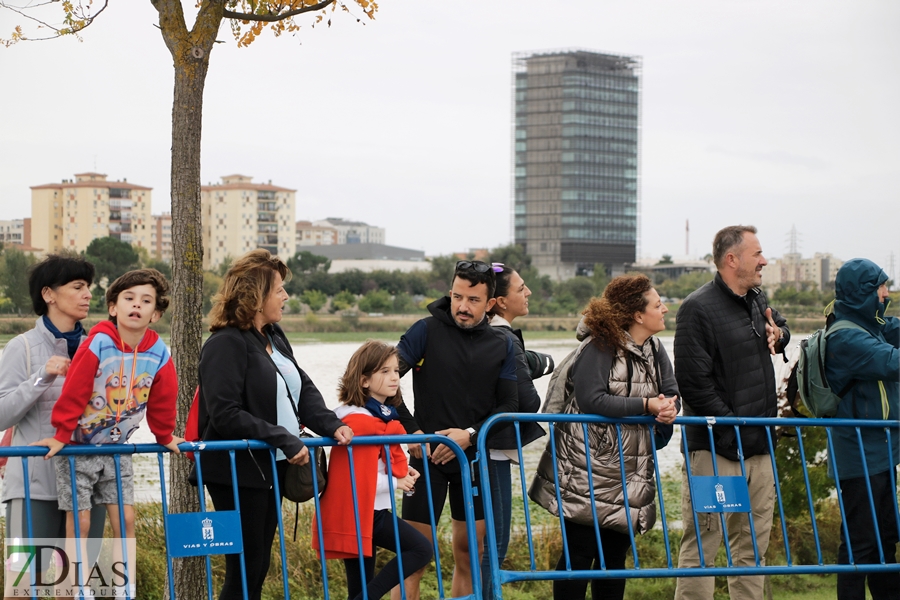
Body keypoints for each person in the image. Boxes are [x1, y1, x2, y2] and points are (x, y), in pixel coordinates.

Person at [196, 249, 353, 600]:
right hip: (236, 470)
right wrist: (282, 438)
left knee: (258, 564)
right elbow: (224, 412)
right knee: (246, 566)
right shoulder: (224, 344)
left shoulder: (274, 336)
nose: (286, 296)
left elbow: (302, 388)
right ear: (255, 295)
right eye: (279, 289)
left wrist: (330, 424)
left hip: (268, 467)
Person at [530, 274, 679, 600]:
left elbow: (670, 391)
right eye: (658, 304)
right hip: (587, 468)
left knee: (614, 559)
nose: (665, 309)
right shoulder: (600, 346)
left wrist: (668, 408)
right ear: (638, 315)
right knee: (579, 557)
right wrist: (646, 404)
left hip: (630, 468)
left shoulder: (655, 348)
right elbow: (591, 399)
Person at [34, 268, 181, 597]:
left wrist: (165, 436)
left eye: (146, 301)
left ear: (155, 314)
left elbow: (163, 397)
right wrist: (61, 434)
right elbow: (75, 389)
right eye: (128, 298)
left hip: (117, 449)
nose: (136, 305)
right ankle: (78, 586)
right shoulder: (99, 343)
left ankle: (123, 586)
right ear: (113, 307)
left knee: (126, 518)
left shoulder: (159, 353)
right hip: (78, 448)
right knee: (81, 523)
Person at [673, 225, 789, 600]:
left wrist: (781, 336)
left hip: (759, 447)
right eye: (757, 254)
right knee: (704, 549)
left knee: (753, 551)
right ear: (731, 259)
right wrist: (733, 429)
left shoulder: (756, 299)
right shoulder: (697, 308)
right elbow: (693, 384)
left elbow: (779, 325)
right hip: (715, 451)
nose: (764, 260)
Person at [392, 260, 519, 600]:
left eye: (473, 300)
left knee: (469, 555)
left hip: (472, 460)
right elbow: (384, 381)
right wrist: (413, 431)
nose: (462, 306)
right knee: (413, 556)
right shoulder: (424, 331)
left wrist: (470, 434)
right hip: (426, 458)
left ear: (490, 303)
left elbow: (509, 405)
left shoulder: (502, 344)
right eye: (457, 296)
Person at [0, 255, 105, 591]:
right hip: (35, 489)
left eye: (88, 287)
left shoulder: (101, 348)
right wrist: (41, 378)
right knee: (22, 584)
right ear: (49, 294)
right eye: (77, 286)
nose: (88, 294)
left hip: (89, 487)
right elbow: (2, 414)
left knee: (78, 585)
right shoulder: (22, 348)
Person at [313, 340, 432, 600]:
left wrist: (401, 473)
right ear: (364, 380)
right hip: (364, 510)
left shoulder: (379, 416)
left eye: (396, 371)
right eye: (384, 372)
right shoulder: (359, 421)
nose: (394, 378)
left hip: (365, 509)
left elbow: (374, 464)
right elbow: (356, 478)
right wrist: (395, 483)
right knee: (421, 549)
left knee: (360, 584)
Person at [824, 258, 899, 600]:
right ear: (865, 293)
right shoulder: (846, 337)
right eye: (882, 288)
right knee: (859, 543)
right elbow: (891, 362)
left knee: (884, 539)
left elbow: (892, 329)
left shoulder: (869, 325)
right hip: (858, 455)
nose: (887, 294)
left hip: (878, 451)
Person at [481, 265, 553, 599]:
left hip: (472, 446)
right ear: (499, 301)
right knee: (496, 542)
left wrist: (538, 361)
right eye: (521, 288)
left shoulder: (480, 332)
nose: (528, 292)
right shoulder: (503, 337)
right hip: (492, 449)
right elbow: (529, 400)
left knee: (476, 542)